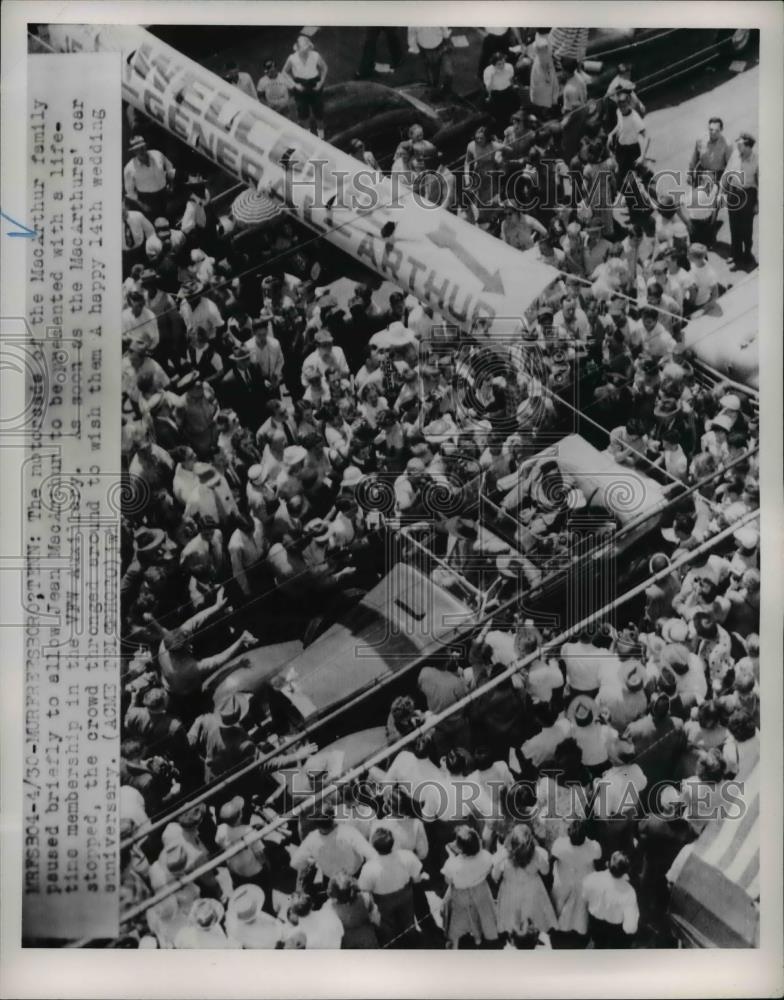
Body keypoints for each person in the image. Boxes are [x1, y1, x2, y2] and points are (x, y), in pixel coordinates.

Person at [358, 827, 421, 946]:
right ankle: (412, 942)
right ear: (393, 842)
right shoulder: (407, 856)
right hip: (405, 895)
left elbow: (365, 890)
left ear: (373, 846)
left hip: (383, 901)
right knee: (408, 920)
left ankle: (392, 946)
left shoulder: (369, 868)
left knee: (387, 926)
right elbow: (417, 878)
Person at [492, 824, 557, 939]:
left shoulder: (504, 854)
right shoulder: (538, 854)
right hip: (532, 891)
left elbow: (495, 875)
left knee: (511, 919)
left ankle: (513, 937)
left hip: (510, 892)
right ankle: (532, 936)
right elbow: (545, 871)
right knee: (533, 917)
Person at [441, 826, 499, 948]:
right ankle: (478, 938)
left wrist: (452, 858)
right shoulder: (486, 856)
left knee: (458, 919)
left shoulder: (453, 864)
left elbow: (448, 881)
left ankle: (454, 942)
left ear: (461, 848)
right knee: (479, 915)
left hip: (460, 895)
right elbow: (488, 870)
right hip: (481, 890)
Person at [550, 820, 602, 942]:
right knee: (581, 906)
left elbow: (552, 856)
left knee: (561, 901)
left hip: (564, 881)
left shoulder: (560, 845)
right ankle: (580, 929)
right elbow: (598, 857)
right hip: (583, 882)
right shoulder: (594, 847)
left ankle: (560, 927)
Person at [581, 850, 639, 948]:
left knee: (598, 945)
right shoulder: (629, 892)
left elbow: (584, 896)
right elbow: (630, 927)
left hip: (595, 924)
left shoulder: (593, 878)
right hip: (614, 930)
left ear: (608, 863)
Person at [720, 131, 759, 269]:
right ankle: (736, 254)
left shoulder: (757, 160)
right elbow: (727, 173)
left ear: (749, 146)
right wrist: (722, 192)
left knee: (746, 228)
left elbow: (760, 184)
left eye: (741, 145)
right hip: (733, 193)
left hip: (748, 195)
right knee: (734, 226)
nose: (738, 147)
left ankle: (747, 254)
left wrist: (757, 204)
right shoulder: (735, 155)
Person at [282, 34, 328, 138]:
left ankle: (322, 137)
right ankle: (308, 136)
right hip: (300, 85)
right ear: (297, 49)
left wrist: (321, 82)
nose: (305, 51)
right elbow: (284, 72)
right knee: (303, 114)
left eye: (306, 49)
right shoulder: (292, 58)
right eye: (303, 49)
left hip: (314, 83)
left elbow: (324, 68)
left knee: (319, 113)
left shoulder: (315, 55)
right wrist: (295, 84)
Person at [123, 135, 175, 220]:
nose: (141, 151)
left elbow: (170, 167)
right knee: (154, 223)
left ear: (146, 145)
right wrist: (142, 205)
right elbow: (130, 192)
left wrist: (171, 185)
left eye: (142, 147)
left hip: (164, 193)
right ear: (133, 151)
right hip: (147, 200)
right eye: (137, 149)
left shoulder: (157, 154)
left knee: (168, 219)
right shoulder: (129, 168)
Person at [609, 90, 650, 191]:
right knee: (621, 179)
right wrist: (611, 133)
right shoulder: (618, 111)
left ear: (629, 104)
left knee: (641, 179)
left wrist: (642, 156)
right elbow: (620, 125)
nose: (622, 108)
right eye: (620, 106)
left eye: (624, 105)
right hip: (621, 149)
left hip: (633, 150)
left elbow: (647, 137)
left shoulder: (634, 118)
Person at [407, 26, 453, 96]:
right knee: (434, 69)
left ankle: (435, 87)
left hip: (435, 47)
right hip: (430, 48)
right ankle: (435, 88)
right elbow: (411, 36)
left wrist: (416, 49)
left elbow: (411, 37)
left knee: (435, 69)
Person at [688, 116, 732, 184]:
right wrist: (690, 175)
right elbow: (694, 159)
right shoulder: (700, 140)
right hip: (701, 174)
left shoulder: (727, 145)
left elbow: (730, 166)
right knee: (696, 194)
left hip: (717, 177)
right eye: (711, 130)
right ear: (708, 128)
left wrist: (724, 183)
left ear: (721, 129)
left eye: (717, 130)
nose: (713, 132)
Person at [483, 51, 518, 134]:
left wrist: (513, 87)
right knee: (500, 116)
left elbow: (511, 79)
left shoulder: (509, 67)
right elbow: (488, 88)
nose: (502, 66)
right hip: (497, 95)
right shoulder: (488, 71)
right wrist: (492, 76)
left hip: (508, 92)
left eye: (503, 63)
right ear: (494, 64)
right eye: (499, 64)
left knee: (511, 111)